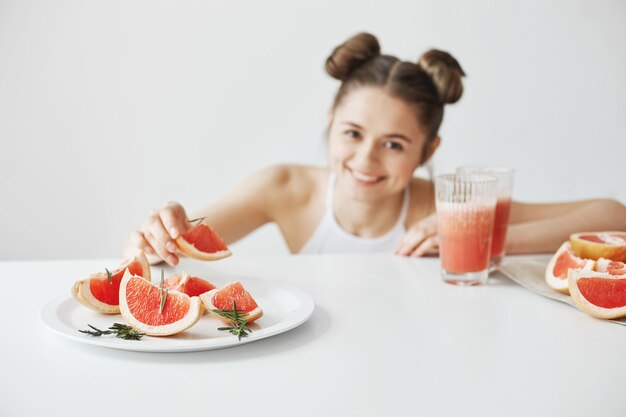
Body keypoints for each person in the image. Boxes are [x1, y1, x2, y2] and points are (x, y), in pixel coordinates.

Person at [123, 32, 626, 266]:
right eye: (352, 134)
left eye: (394, 144)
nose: (365, 160)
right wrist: (158, 231)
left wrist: (486, 238)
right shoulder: (283, 188)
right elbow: (168, 249)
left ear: (428, 152)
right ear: (330, 121)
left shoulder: (441, 208)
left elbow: (613, 216)